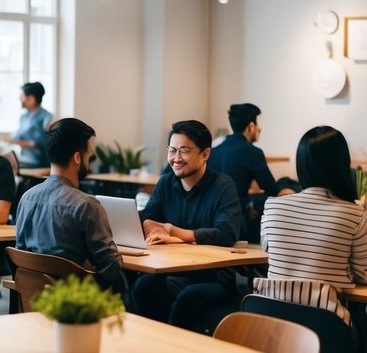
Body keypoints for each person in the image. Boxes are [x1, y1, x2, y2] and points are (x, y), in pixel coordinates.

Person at [132, 119, 243, 332]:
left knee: (187, 298)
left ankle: (173, 349)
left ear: (205, 154)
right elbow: (149, 219)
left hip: (213, 277)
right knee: (142, 287)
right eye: (172, 150)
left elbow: (227, 233)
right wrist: (152, 226)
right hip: (171, 271)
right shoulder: (166, 182)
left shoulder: (224, 186)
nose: (176, 158)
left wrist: (175, 232)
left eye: (183, 151)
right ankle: (155, 342)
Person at [259, 126, 367, 323]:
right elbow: (363, 273)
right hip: (325, 327)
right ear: (342, 164)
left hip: (271, 322)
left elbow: (270, 250)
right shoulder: (355, 213)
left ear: (301, 164)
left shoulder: (272, 205)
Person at [14, 118, 126, 295]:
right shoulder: (86, 205)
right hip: (74, 303)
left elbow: (20, 254)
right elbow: (110, 267)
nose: (89, 162)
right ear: (77, 157)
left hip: (33, 297)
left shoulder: (26, 198)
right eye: (89, 155)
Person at [209, 103, 295, 242]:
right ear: (251, 126)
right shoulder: (252, 152)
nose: (260, 129)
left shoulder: (214, 151)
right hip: (237, 215)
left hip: (212, 214)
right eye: (258, 125)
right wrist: (288, 191)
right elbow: (270, 188)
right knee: (287, 183)